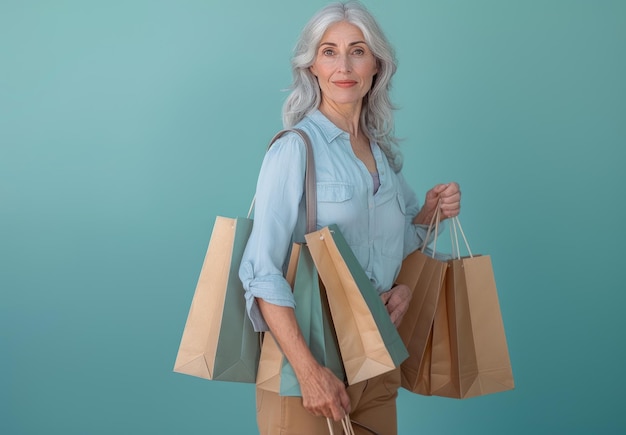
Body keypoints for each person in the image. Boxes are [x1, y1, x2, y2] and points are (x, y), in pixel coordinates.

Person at [239, 2, 461, 434]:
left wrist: (429, 215)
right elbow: (261, 271)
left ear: (377, 64)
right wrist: (308, 373)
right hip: (307, 364)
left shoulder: (379, 154)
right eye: (329, 51)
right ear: (312, 66)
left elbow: (396, 248)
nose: (344, 65)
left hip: (375, 361)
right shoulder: (295, 149)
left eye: (357, 51)